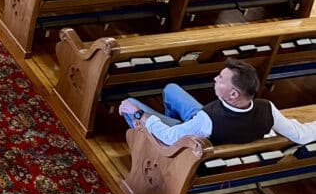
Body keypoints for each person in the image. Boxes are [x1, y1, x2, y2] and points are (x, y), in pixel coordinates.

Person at [118, 59, 316, 147]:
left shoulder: (207, 120)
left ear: (232, 94)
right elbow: (299, 134)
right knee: (171, 89)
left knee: (130, 104)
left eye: (221, 78)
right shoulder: (267, 109)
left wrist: (138, 114)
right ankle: (181, 126)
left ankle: (158, 149)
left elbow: (170, 138)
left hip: (196, 134)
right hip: (204, 125)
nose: (215, 79)